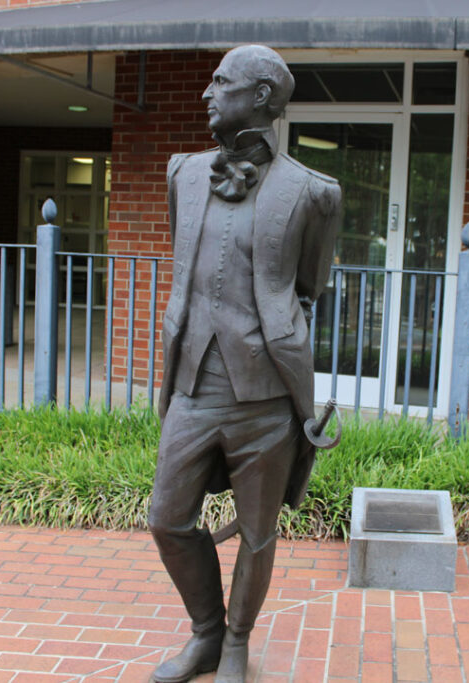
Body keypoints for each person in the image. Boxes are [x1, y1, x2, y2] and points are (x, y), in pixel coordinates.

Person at [148, 45, 341, 683]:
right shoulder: (183, 174)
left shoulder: (314, 193)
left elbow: (308, 289)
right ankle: (204, 631)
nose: (208, 92)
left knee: (258, 536)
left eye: (220, 81)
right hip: (192, 385)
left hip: (265, 399)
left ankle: (235, 643)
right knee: (168, 519)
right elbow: (186, 275)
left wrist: (279, 357)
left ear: (260, 95)